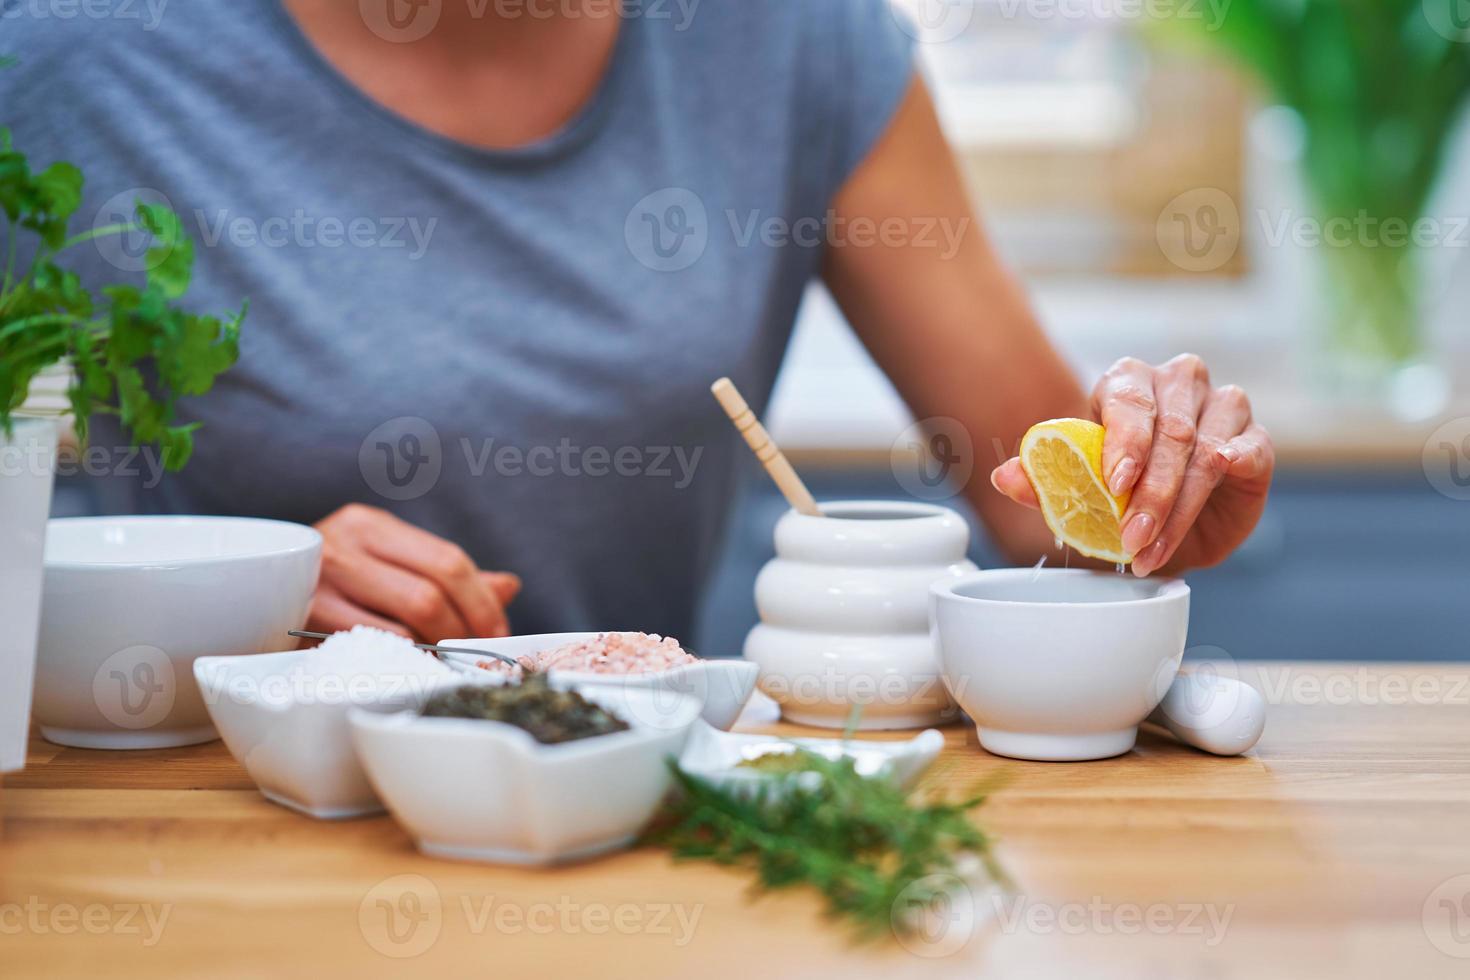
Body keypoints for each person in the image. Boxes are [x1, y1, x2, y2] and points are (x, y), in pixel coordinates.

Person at [2, 0, 1272, 644]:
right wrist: (229, 593)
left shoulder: (786, 36)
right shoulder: (67, 58)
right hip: (216, 836)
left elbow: (1034, 487)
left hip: (640, 826)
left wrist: (1151, 477)